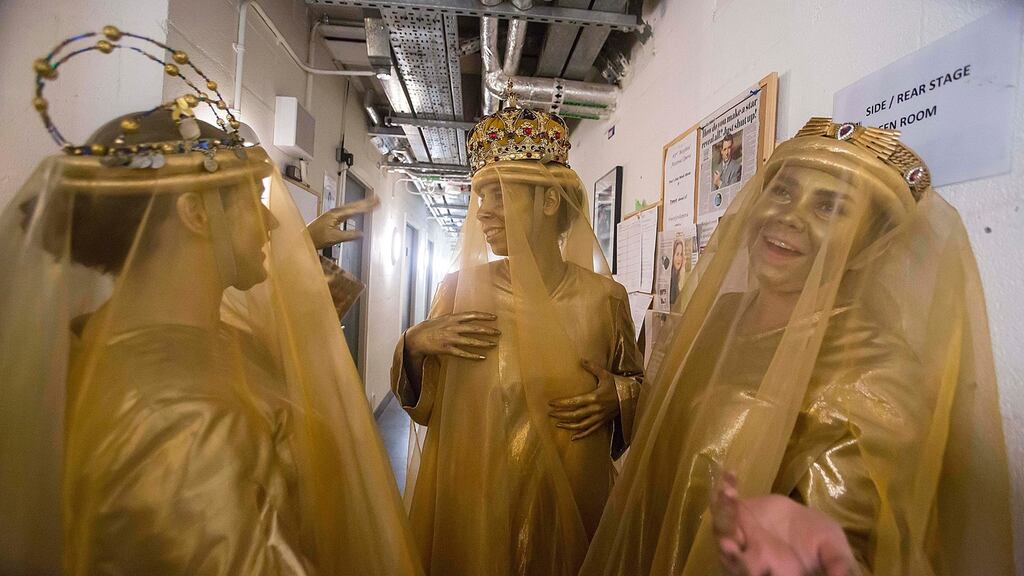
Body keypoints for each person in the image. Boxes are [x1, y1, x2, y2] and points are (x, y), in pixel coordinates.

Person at [0, 28, 422, 576]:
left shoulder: (120, 335)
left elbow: (272, 341)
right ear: (196, 215)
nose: (271, 220)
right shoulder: (180, 415)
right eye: (253, 202)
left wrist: (303, 248)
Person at [580, 118, 1015, 575]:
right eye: (783, 191)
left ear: (868, 243)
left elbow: (855, 544)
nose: (788, 215)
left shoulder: (876, 374)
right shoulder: (722, 315)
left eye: (830, 206)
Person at [390, 95, 644, 575]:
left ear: (549, 200)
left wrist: (620, 396)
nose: (482, 212)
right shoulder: (459, 292)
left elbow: (636, 383)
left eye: (499, 195)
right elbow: (427, 409)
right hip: (481, 501)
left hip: (574, 497)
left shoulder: (604, 299)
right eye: (479, 196)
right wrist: (416, 347)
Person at [669, 237, 687, 306]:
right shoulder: (671, 279)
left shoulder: (679, 275)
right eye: (677, 254)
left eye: (681, 254)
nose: (679, 258)